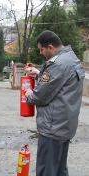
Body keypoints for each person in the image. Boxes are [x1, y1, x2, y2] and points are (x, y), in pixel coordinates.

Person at [24, 30, 85, 176]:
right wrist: (39, 74)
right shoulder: (71, 58)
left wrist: (29, 95)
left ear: (50, 47)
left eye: (42, 49)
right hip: (65, 126)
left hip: (53, 127)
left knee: (47, 170)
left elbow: (40, 96)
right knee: (59, 169)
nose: (40, 53)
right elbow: (60, 83)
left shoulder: (57, 65)